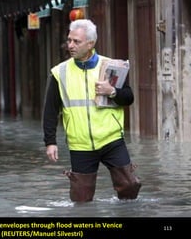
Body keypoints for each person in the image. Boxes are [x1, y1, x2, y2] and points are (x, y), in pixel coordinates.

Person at [42, 19, 141, 202]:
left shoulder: (112, 66)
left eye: (76, 41)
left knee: (129, 186)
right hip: (80, 144)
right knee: (81, 201)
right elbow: (50, 110)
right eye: (69, 40)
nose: (70, 45)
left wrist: (111, 91)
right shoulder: (59, 72)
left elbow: (129, 98)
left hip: (111, 139)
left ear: (91, 44)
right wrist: (50, 142)